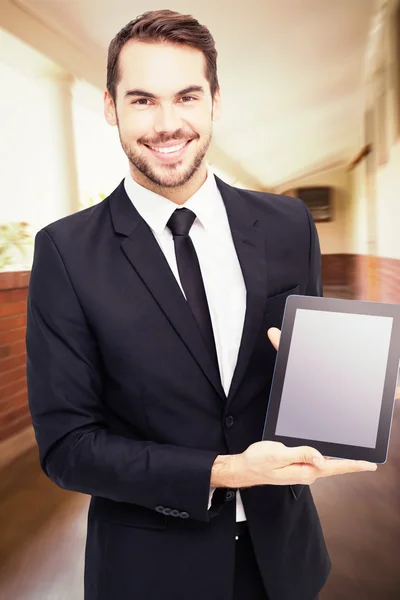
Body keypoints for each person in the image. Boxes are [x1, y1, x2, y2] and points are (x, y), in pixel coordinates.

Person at [26, 9, 377, 600]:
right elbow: (68, 448)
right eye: (142, 100)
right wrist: (229, 471)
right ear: (110, 107)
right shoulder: (65, 252)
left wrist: (357, 387)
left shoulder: (289, 223)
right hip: (150, 572)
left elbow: (313, 385)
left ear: (215, 100)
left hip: (285, 562)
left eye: (187, 96)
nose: (168, 124)